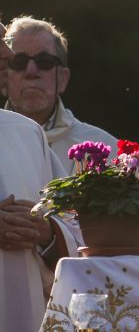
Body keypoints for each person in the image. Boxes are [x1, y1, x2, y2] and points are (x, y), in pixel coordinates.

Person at [1, 20, 82, 332]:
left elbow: (79, 230)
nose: (6, 54)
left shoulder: (26, 135)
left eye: (44, 62)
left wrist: (47, 234)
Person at [3, 16, 116, 172]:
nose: (31, 71)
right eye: (19, 62)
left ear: (63, 78)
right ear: (3, 78)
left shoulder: (108, 152)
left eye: (44, 61)